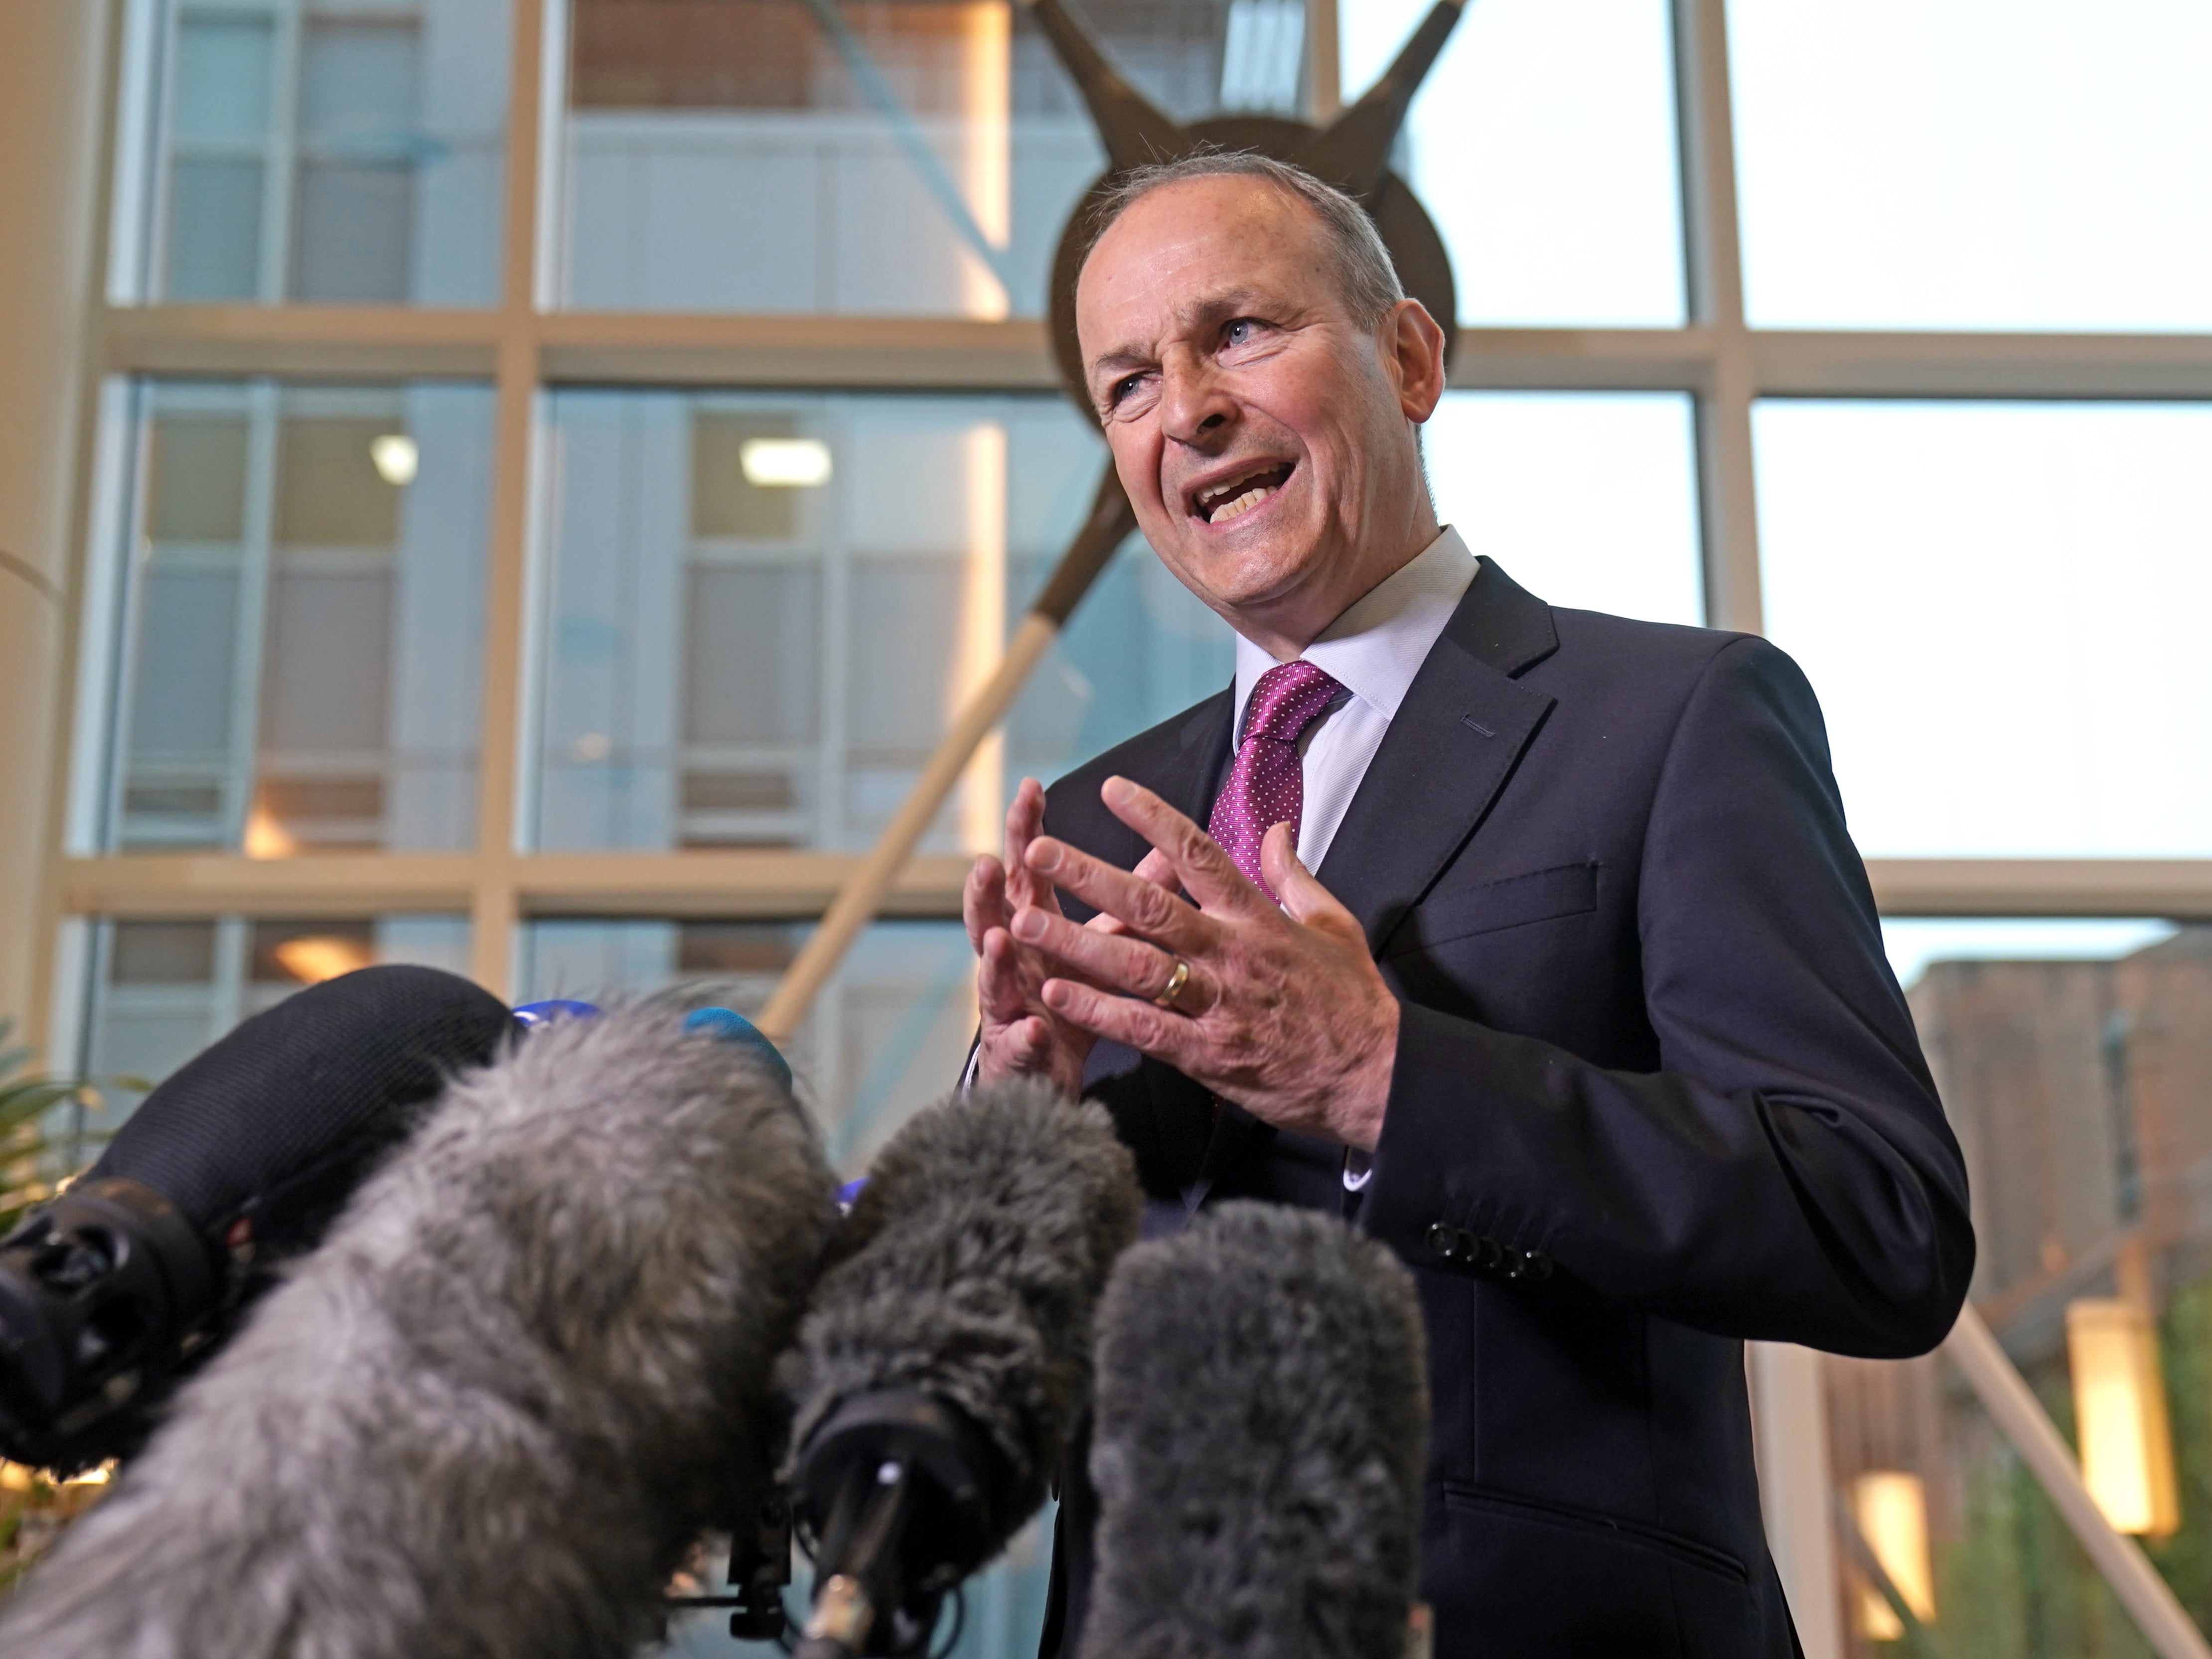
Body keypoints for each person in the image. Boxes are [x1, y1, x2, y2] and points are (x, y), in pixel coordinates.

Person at [961, 153, 1973, 1658]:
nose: (1188, 409)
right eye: (1128, 383)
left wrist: (1383, 1075)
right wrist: (1014, 1129)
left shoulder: (1677, 717)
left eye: (1239, 330)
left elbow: (1876, 1220)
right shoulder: (1107, 811)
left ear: (1413, 358)